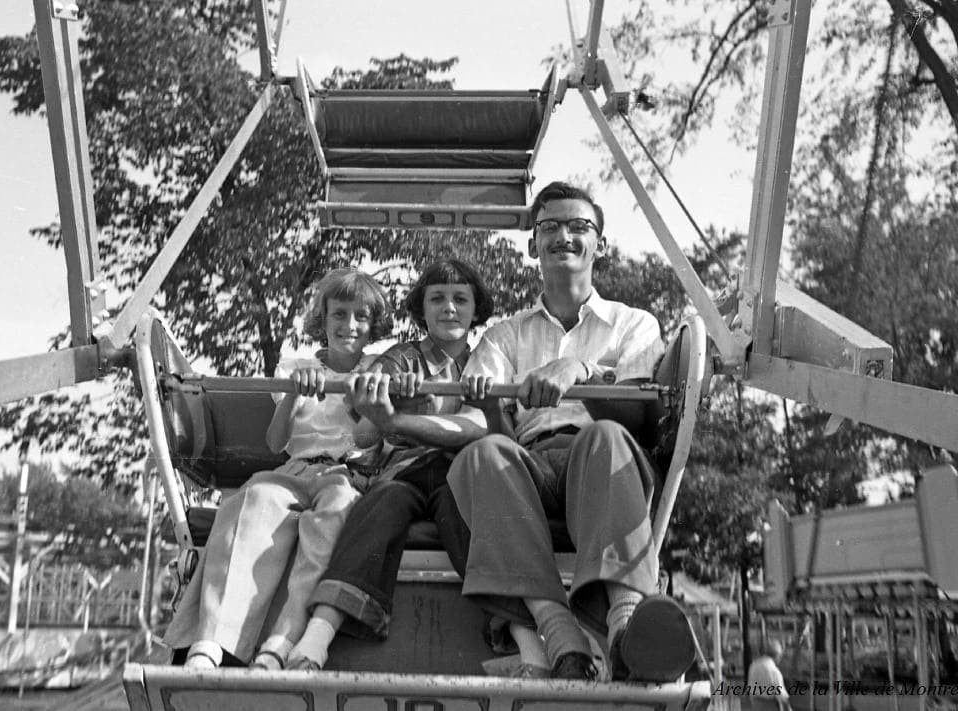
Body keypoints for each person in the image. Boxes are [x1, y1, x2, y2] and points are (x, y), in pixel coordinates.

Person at [446, 180, 696, 681]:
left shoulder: (633, 325)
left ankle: (626, 622)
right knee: (482, 455)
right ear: (533, 243)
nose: (565, 235)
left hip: (601, 462)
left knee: (602, 438)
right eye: (550, 226)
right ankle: (558, 630)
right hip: (530, 463)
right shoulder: (505, 336)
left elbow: (637, 421)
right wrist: (487, 408)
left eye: (579, 226)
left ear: (599, 243)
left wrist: (579, 370)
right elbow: (481, 424)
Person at [286, 259, 551, 671]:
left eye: (460, 299)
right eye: (437, 299)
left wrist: (408, 418)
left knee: (471, 521)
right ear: (421, 310)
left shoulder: (489, 362)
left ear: (475, 309)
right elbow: (363, 429)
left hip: (460, 476)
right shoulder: (402, 359)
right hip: (404, 471)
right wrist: (381, 402)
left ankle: (525, 643)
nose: (449, 308)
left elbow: (490, 435)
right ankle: (319, 634)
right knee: (380, 504)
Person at [163, 268, 393, 670]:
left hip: (345, 474)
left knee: (333, 519)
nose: (349, 325)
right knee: (253, 499)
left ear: (373, 324)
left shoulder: (378, 368)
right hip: (295, 469)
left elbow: (366, 440)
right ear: (322, 318)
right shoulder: (296, 366)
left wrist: (363, 401)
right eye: (339, 314)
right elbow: (275, 443)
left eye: (360, 316)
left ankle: (280, 642)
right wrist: (291, 395)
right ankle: (212, 642)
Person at [748, 640, 791, 710]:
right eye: (780, 657)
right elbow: (781, 695)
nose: (780, 659)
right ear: (777, 655)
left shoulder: (754, 665)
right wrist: (789, 708)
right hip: (769, 705)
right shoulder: (773, 670)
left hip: (755, 703)